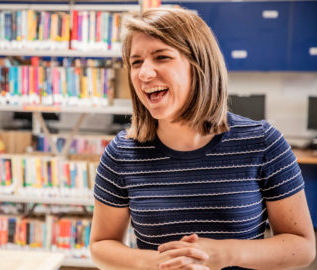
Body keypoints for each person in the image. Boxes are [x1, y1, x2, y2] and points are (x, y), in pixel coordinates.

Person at [89, 7, 315, 270]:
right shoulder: (120, 153)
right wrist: (161, 263)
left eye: (161, 57)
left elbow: (303, 246)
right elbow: (101, 245)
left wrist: (225, 253)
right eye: (136, 61)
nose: (144, 73)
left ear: (200, 65)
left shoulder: (264, 143)